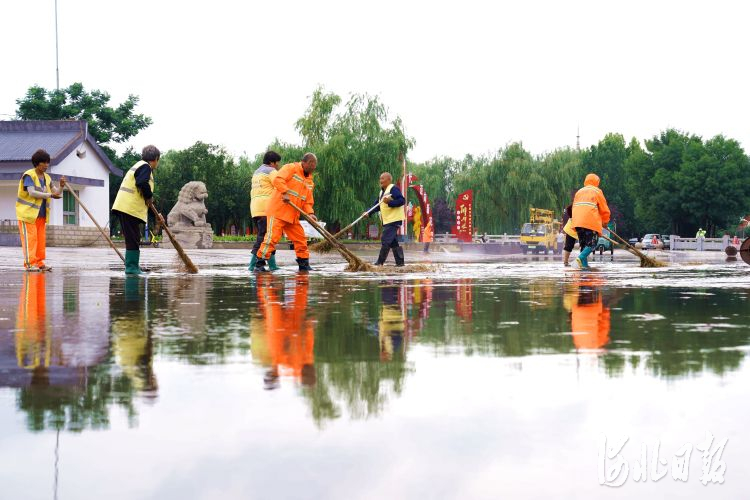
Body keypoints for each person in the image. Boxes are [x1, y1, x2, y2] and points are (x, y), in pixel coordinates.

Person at [255, 153, 317, 272]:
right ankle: (259, 264)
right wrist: (284, 192)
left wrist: (310, 213)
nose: (313, 167)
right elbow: (278, 179)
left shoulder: (309, 181)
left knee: (301, 239)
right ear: (304, 162)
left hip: (293, 216)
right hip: (278, 211)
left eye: (314, 165)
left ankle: (304, 264)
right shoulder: (291, 168)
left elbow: (308, 201)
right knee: (272, 238)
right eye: (311, 164)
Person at [111, 145, 161, 274]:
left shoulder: (140, 165)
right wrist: (149, 196)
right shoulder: (146, 167)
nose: (157, 163)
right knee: (133, 238)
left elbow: (141, 189)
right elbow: (142, 183)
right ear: (155, 159)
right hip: (128, 207)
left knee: (134, 237)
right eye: (158, 160)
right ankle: (132, 268)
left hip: (126, 207)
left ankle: (133, 266)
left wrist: (153, 209)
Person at [16, 149, 67, 272]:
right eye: (44, 163)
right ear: (37, 163)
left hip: (41, 215)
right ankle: (29, 264)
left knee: (40, 240)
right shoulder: (29, 175)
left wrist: (61, 186)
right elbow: (32, 192)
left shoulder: (47, 178)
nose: (46, 165)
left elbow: (56, 193)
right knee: (31, 240)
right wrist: (50, 195)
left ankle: (39, 263)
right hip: (27, 214)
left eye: (47, 162)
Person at [248, 150, 282, 271]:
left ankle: (272, 265)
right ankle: (252, 266)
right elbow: (279, 184)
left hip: (255, 208)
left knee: (268, 237)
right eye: (277, 163)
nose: (278, 166)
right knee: (264, 238)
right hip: (266, 208)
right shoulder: (271, 171)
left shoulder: (256, 172)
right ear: (272, 162)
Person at [366, 172, 406, 266]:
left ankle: (380, 263)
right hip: (387, 221)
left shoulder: (393, 189)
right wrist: (368, 213)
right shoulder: (381, 192)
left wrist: (390, 202)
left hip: (394, 220)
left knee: (385, 239)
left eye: (383, 179)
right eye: (380, 179)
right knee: (393, 242)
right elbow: (376, 206)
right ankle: (400, 264)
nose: (381, 180)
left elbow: (402, 201)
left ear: (389, 180)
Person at [571, 173, 610, 268]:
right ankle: (579, 259)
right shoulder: (597, 191)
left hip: (578, 222)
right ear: (596, 182)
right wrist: (605, 222)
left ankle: (584, 266)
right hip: (590, 222)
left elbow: (574, 208)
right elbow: (604, 209)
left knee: (584, 244)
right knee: (593, 243)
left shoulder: (579, 192)